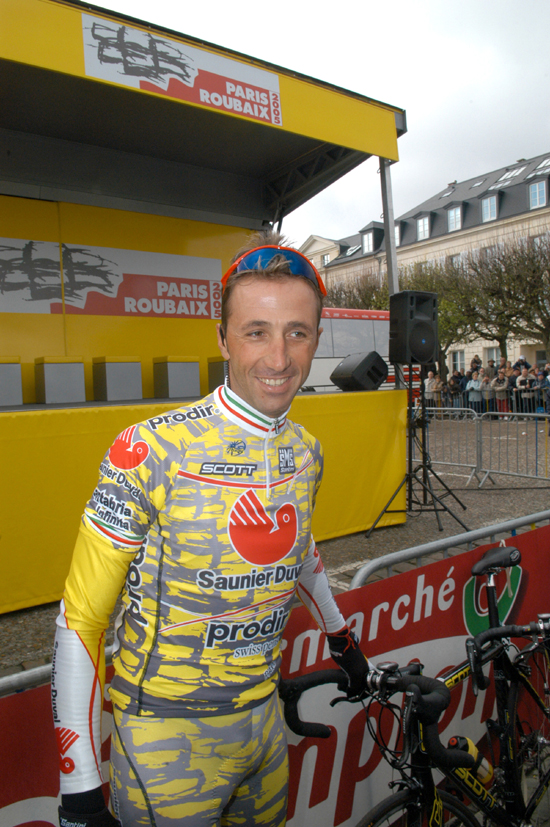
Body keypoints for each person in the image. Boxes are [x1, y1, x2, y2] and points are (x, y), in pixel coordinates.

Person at [51, 232, 370, 827]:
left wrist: (340, 637)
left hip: (265, 727)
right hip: (166, 739)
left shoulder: (306, 452)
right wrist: (79, 783)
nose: (278, 359)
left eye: (296, 332)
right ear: (221, 338)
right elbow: (81, 619)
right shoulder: (150, 449)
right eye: (256, 332)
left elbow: (300, 553)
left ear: (316, 339)